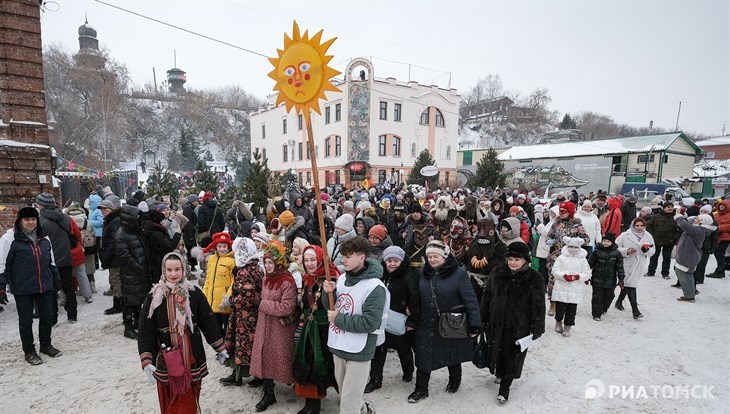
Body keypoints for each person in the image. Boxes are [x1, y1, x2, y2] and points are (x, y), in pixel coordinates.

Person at [138, 252, 228, 414]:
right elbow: (146, 330)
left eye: (177, 269)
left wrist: (220, 347)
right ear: (163, 271)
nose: (173, 274)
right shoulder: (154, 297)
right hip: (166, 356)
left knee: (190, 392)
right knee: (169, 396)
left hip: (190, 353)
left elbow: (208, 321)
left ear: (184, 270)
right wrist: (146, 360)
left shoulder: (194, 293)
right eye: (169, 270)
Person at [409, 240, 481, 403]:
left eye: (436, 256)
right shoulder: (422, 272)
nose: (432, 260)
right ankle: (421, 389)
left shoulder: (459, 274)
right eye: (429, 256)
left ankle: (455, 380)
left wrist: (475, 324)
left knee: (451, 352)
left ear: (445, 256)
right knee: (423, 355)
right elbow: (415, 296)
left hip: (450, 321)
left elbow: (470, 300)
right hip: (426, 321)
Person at [322, 237, 386, 414]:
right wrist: (329, 293)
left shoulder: (375, 287)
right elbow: (331, 309)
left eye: (348, 256)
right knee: (346, 395)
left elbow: (370, 322)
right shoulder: (342, 278)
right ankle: (364, 409)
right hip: (339, 346)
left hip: (359, 351)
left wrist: (339, 319)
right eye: (343, 255)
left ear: (362, 257)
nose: (343, 260)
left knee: (348, 406)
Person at [481, 242, 545, 403]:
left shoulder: (535, 278)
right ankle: (498, 371)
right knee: (495, 348)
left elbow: (538, 305)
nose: (513, 263)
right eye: (510, 259)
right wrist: (482, 318)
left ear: (525, 260)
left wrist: (537, 326)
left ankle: (505, 387)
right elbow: (487, 296)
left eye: (517, 259)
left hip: (518, 325)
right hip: (496, 321)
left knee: (512, 355)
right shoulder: (497, 272)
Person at [0, 206, 63, 365]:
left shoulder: (44, 238)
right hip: (23, 288)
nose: (30, 222)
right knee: (26, 320)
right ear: (20, 221)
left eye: (33, 219)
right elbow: (2, 264)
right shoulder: (9, 239)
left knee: (47, 317)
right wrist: (1, 287)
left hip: (44, 285)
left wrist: (56, 279)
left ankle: (46, 345)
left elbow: (51, 261)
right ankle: (29, 351)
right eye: (27, 219)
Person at [249, 241, 298, 412]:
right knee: (265, 356)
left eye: (271, 262)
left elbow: (288, 307)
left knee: (281, 357)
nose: (268, 266)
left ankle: (297, 385)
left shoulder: (287, 281)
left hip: (280, 329)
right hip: (265, 325)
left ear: (279, 262)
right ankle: (268, 392)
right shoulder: (265, 279)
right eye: (266, 262)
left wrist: (262, 303)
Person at [365, 246, 420, 394]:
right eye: (389, 260)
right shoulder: (381, 274)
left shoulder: (408, 276)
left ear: (402, 261)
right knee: (379, 351)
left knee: (404, 350)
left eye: (396, 260)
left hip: (400, 319)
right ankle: (375, 380)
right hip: (382, 320)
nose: (392, 264)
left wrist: (412, 320)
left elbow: (415, 298)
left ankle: (408, 371)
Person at [293, 245, 340, 414]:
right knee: (309, 364)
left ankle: (349, 398)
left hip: (327, 330)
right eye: (306, 260)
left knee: (333, 365)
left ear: (320, 260)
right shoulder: (307, 279)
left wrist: (331, 291)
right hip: (310, 330)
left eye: (313, 259)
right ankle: (312, 404)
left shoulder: (331, 278)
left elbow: (334, 306)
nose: (310, 263)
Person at [221, 237, 264, 387]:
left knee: (242, 345)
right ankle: (249, 374)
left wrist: (230, 301)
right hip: (253, 315)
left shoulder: (244, 271)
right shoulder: (257, 267)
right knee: (250, 345)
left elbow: (245, 299)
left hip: (245, 316)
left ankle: (241, 375)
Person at [116, 205, 151, 339]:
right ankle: (128, 327)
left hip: (139, 272)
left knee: (139, 299)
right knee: (129, 301)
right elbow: (124, 255)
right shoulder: (122, 233)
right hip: (131, 273)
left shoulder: (135, 230)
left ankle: (137, 322)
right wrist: (137, 266)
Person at [550, 237, 592, 336]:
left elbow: (587, 273)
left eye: (575, 247)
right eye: (571, 246)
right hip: (561, 286)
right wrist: (563, 276)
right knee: (560, 308)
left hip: (575, 288)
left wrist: (578, 277)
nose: (573, 248)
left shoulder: (583, 260)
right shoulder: (561, 258)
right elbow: (555, 270)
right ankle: (558, 321)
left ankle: (568, 326)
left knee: (571, 310)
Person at [615, 218, 655, 319]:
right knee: (631, 285)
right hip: (627, 263)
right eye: (637, 225)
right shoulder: (625, 235)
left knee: (629, 284)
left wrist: (646, 250)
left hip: (638, 263)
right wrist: (626, 251)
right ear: (633, 225)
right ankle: (635, 311)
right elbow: (615, 248)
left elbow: (653, 251)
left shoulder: (648, 236)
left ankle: (619, 301)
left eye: (642, 226)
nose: (639, 228)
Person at [674, 214, 715, 302]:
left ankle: (690, 295)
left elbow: (684, 225)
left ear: (702, 222)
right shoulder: (697, 228)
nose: (695, 219)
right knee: (683, 273)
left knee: (685, 274)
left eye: (698, 219)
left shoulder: (700, 230)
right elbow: (688, 223)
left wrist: (678, 216)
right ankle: (691, 291)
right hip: (687, 255)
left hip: (689, 256)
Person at [201, 232, 235, 335]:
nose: (222, 249)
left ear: (228, 247)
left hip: (224, 303)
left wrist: (228, 297)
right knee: (215, 329)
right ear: (216, 247)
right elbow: (208, 280)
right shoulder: (211, 259)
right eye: (219, 246)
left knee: (227, 329)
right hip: (213, 302)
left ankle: (227, 349)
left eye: (224, 246)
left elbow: (234, 281)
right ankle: (220, 349)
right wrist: (204, 296)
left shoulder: (231, 262)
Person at [587, 232, 625, 321]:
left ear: (612, 242)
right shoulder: (596, 251)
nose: (606, 243)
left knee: (609, 296)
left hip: (610, 279)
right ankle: (596, 313)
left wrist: (621, 278)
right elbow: (590, 264)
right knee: (597, 296)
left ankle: (604, 308)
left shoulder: (617, 253)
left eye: (608, 241)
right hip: (597, 278)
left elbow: (620, 267)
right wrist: (586, 274)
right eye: (604, 241)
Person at [645, 202, 681, 279]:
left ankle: (665, 273)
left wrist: (674, 238)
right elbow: (648, 226)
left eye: (671, 206)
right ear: (664, 208)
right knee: (654, 257)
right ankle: (651, 271)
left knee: (667, 258)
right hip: (656, 240)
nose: (670, 208)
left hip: (669, 241)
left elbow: (679, 230)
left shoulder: (676, 217)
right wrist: (652, 236)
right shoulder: (656, 216)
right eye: (668, 206)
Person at [707, 199, 729, 278]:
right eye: (721, 205)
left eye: (724, 205)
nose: (722, 207)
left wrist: (718, 228)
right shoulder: (717, 215)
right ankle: (720, 270)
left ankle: (720, 271)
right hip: (717, 237)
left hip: (724, 238)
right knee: (717, 253)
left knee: (720, 254)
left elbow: (728, 226)